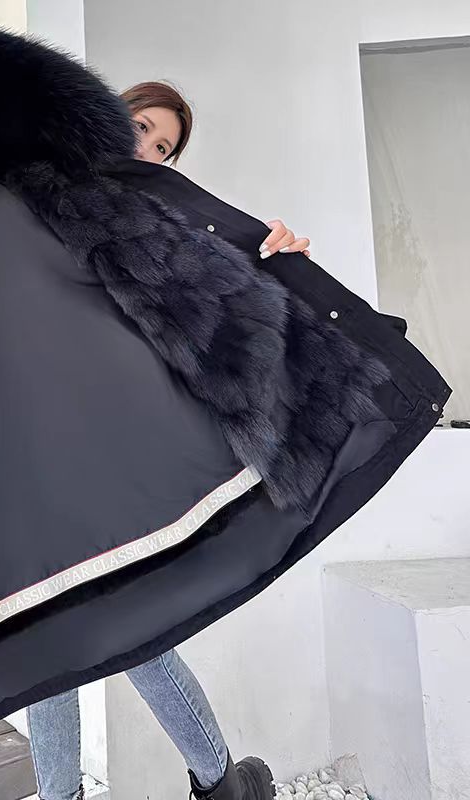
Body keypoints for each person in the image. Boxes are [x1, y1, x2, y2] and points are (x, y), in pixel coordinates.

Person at [24, 81, 309, 800]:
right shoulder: (32, 191)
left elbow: (219, 308)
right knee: (63, 627)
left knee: (107, 622)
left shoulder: (158, 227)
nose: (148, 150)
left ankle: (211, 783)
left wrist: (273, 262)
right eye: (142, 127)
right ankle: (220, 784)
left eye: (164, 148)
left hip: (103, 447)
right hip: (30, 438)